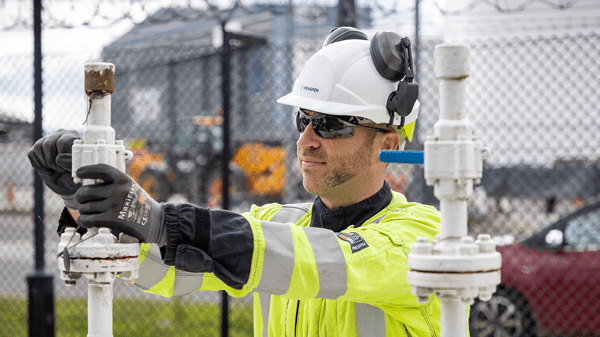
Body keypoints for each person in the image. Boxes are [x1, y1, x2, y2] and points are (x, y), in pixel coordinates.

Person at [29, 27, 442, 336]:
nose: (305, 141)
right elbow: (170, 269)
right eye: (304, 120)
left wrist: (166, 221)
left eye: (331, 126)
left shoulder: (422, 239)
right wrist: (85, 202)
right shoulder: (279, 224)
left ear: (387, 143)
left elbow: (324, 261)